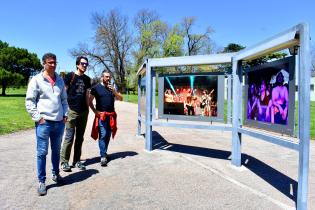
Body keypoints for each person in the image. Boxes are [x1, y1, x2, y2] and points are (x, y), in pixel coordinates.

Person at [25, 53, 68, 196]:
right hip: (44, 123)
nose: (53, 65)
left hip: (59, 123)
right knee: (42, 153)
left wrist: (65, 115)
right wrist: (38, 118)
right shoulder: (36, 80)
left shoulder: (60, 80)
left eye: (55, 62)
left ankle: (56, 174)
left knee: (56, 152)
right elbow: (30, 101)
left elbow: (64, 100)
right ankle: (41, 181)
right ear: (44, 63)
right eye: (50, 62)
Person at [60, 56, 91, 172]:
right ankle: (64, 162)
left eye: (86, 64)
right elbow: (63, 93)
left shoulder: (88, 79)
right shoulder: (70, 76)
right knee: (69, 137)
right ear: (77, 64)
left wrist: (88, 109)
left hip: (84, 111)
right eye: (83, 64)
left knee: (80, 138)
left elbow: (87, 95)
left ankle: (77, 161)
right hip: (71, 111)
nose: (85, 66)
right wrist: (64, 110)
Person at [89, 70, 123, 166]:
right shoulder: (95, 88)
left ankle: (104, 152)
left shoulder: (112, 88)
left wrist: (114, 91)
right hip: (102, 116)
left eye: (109, 77)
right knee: (103, 135)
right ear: (102, 77)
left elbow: (121, 98)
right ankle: (103, 156)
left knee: (108, 135)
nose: (108, 78)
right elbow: (90, 101)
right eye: (106, 77)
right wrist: (95, 112)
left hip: (111, 115)